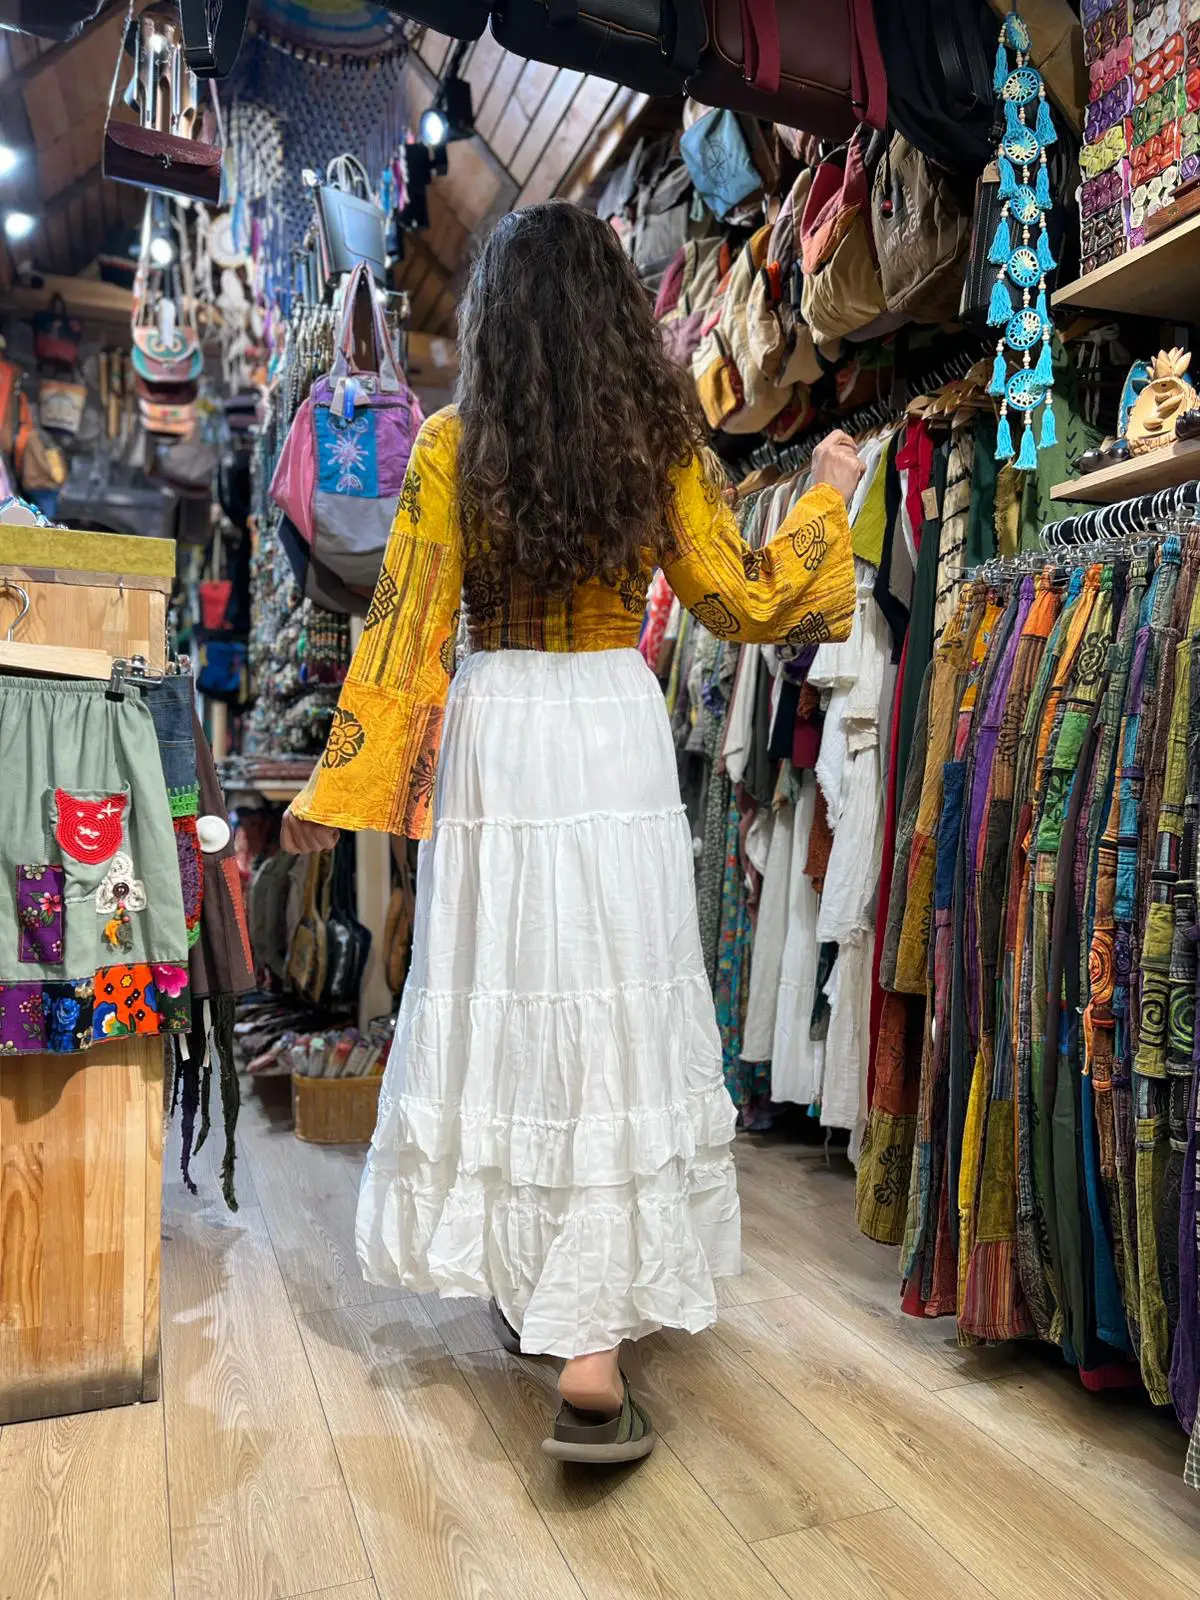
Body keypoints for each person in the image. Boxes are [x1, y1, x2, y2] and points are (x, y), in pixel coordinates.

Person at [283, 200, 863, 1464]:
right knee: (606, 1002)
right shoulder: (659, 441)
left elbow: (405, 632)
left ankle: (540, 1288)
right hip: (612, 724)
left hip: (499, 733)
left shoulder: (453, 447)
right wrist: (825, 500)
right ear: (615, 320)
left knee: (508, 990)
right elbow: (743, 598)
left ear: (494, 324)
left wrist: (334, 791)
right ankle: (589, 1341)